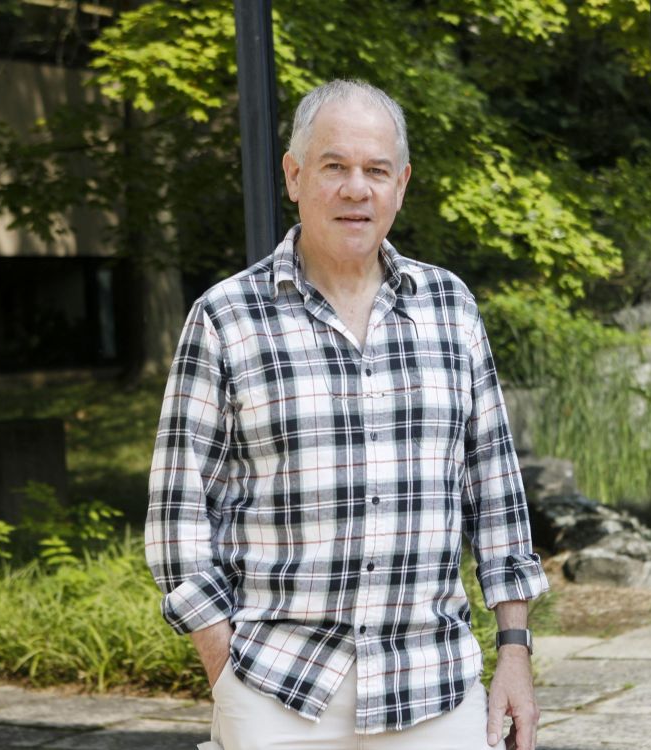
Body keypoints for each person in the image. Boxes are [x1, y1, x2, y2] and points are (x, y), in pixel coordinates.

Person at [146, 79, 548, 750]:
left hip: (436, 695)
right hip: (278, 694)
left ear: (401, 184)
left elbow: (497, 495)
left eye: (375, 170)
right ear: (295, 176)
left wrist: (514, 651)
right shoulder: (225, 316)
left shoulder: (450, 307)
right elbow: (179, 516)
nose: (355, 189)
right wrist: (226, 674)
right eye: (334, 167)